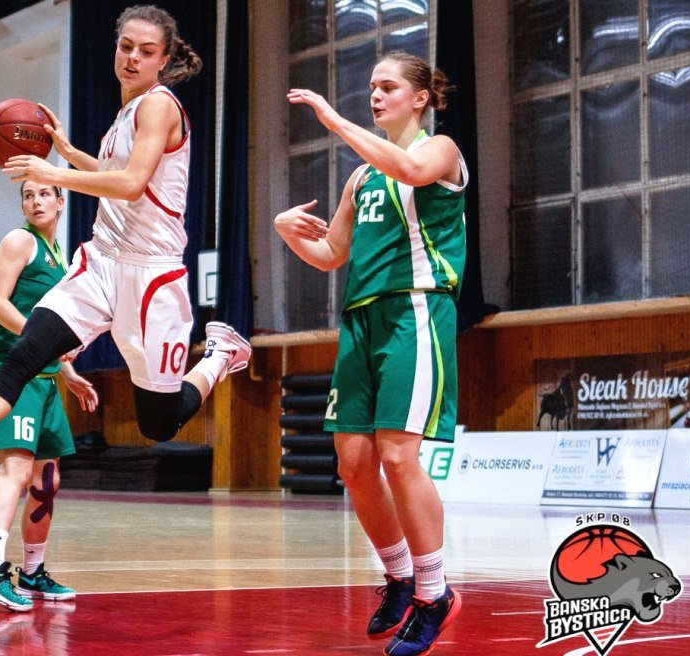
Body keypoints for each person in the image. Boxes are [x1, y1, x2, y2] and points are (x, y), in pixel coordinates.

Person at [0, 5, 251, 498]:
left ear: (164, 59)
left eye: (146, 51)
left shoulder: (159, 105)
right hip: (102, 260)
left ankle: (219, 355)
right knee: (29, 348)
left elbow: (131, 184)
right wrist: (67, 153)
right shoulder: (125, 113)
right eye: (125, 46)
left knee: (158, 423)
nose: (132, 58)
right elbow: (112, 175)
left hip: (151, 277)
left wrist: (51, 173)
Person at [273, 52, 466, 656]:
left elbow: (410, 168)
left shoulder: (440, 151)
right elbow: (332, 254)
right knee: (354, 464)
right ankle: (399, 575)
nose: (376, 96)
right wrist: (286, 233)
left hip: (416, 310)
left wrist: (333, 121)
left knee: (399, 456)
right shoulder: (361, 179)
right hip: (361, 318)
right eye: (372, 87)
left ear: (420, 98)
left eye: (388, 87)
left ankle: (434, 592)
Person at [0, 180, 99, 612]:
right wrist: (40, 342)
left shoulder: (60, 255)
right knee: (15, 473)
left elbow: (53, 323)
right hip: (13, 375)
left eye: (43, 194)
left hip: (46, 379)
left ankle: (33, 573)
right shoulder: (20, 241)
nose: (35, 201)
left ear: (61, 201)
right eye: (27, 195)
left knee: (46, 481)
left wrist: (67, 370)